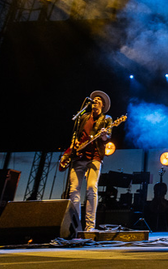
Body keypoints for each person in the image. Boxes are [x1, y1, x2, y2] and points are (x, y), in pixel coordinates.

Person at [66, 90, 113, 231]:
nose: (95, 101)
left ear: (103, 105)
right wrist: (73, 144)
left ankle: (89, 227)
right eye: (95, 99)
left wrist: (104, 135)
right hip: (78, 157)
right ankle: (76, 227)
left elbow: (107, 138)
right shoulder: (83, 117)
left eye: (99, 100)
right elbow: (76, 134)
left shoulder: (106, 119)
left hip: (95, 157)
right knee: (73, 191)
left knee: (91, 188)